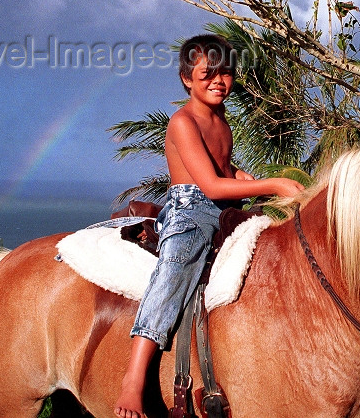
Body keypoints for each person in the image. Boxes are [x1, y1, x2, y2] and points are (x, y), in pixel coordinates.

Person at [114, 34, 305, 418]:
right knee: (173, 274)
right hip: (191, 212)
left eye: (226, 74)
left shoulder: (221, 122)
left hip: (224, 207)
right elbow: (210, 184)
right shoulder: (183, 123)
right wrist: (273, 184)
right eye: (208, 74)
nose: (218, 81)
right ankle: (133, 380)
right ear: (187, 78)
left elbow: (224, 169)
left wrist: (249, 180)